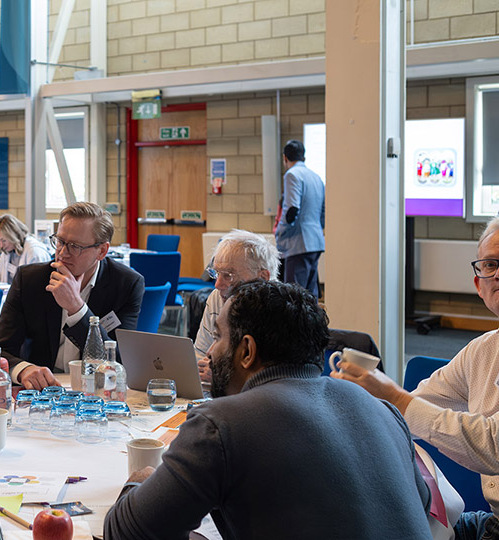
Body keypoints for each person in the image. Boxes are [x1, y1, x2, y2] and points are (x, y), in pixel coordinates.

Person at [103, 280, 432, 540]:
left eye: (218, 337)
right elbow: (422, 504)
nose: (211, 352)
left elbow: (127, 532)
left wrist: (141, 480)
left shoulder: (219, 424)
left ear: (247, 351)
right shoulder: (383, 411)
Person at [335, 215, 499, 540]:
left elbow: (492, 446)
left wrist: (395, 397)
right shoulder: (483, 349)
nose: (498, 274)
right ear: (478, 284)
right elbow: (416, 404)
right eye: (491, 264)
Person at [0, 202, 144, 390]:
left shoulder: (126, 284)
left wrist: (77, 309)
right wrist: (24, 370)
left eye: (75, 246)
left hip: (94, 393)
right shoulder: (30, 280)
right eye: (60, 241)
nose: (62, 253)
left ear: (102, 251)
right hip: (41, 393)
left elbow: (118, 361)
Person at [194, 229, 279, 387]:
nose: (218, 285)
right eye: (216, 273)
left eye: (229, 276)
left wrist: (223, 379)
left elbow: (274, 384)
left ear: (262, 278)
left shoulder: (282, 311)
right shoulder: (217, 298)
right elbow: (199, 356)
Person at [275, 139, 325, 297]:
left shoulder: (292, 175)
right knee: (311, 295)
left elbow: (292, 209)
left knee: (294, 296)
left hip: (298, 243)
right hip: (315, 242)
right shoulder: (316, 177)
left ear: (285, 158)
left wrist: (280, 232)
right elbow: (323, 211)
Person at [0, 214, 51, 285]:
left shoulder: (34, 251)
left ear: (13, 236)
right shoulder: (7, 251)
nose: (1, 245)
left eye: (4, 240)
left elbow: (38, 285)